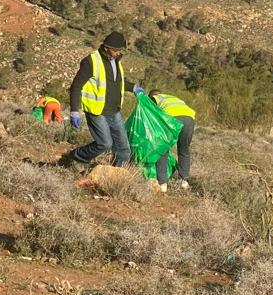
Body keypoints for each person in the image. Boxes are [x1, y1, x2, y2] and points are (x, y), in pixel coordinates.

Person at [63, 31, 141, 167]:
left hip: (114, 110)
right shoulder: (91, 61)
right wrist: (74, 111)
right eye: (116, 50)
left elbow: (116, 82)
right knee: (104, 144)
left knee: (123, 149)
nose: (118, 52)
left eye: (120, 50)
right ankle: (77, 156)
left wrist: (133, 87)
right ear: (106, 47)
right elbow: (76, 86)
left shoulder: (116, 61)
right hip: (97, 111)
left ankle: (116, 177)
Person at [151, 92, 195, 193]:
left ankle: (162, 184)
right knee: (184, 150)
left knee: (163, 149)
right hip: (189, 118)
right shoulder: (173, 97)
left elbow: (150, 115)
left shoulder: (154, 98)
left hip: (171, 118)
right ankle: (184, 181)